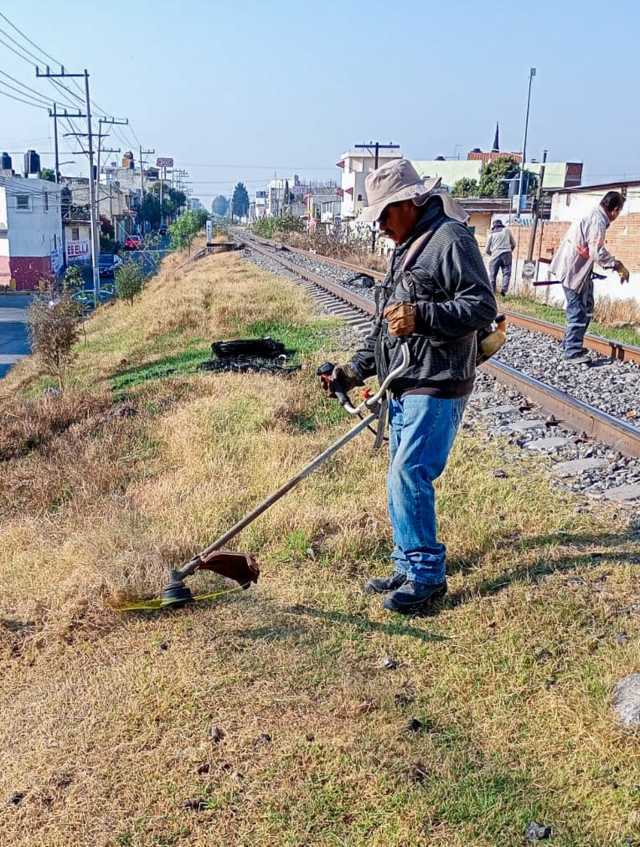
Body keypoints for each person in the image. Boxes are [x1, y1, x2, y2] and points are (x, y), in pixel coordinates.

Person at [320, 159, 497, 614]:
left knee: (408, 473)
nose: (379, 226)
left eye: (383, 215)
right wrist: (353, 371)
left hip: (437, 380)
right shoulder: (407, 245)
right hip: (405, 381)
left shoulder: (450, 239)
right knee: (400, 475)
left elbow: (481, 306)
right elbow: (387, 326)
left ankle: (426, 578)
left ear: (408, 204)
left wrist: (423, 316)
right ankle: (406, 564)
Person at [550, 191, 630, 364]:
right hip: (573, 271)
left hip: (578, 270)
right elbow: (597, 252)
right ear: (615, 210)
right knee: (578, 311)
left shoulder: (594, 214)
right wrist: (617, 265)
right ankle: (572, 352)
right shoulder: (598, 220)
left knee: (586, 307)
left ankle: (570, 344)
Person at [485, 219, 515, 296]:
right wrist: (509, 251)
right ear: (501, 225)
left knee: (492, 274)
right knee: (506, 273)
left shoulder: (491, 234)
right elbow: (514, 244)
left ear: (494, 227)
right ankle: (504, 291)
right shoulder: (507, 231)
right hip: (507, 254)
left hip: (495, 255)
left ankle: (493, 292)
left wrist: (492, 254)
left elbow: (487, 250)